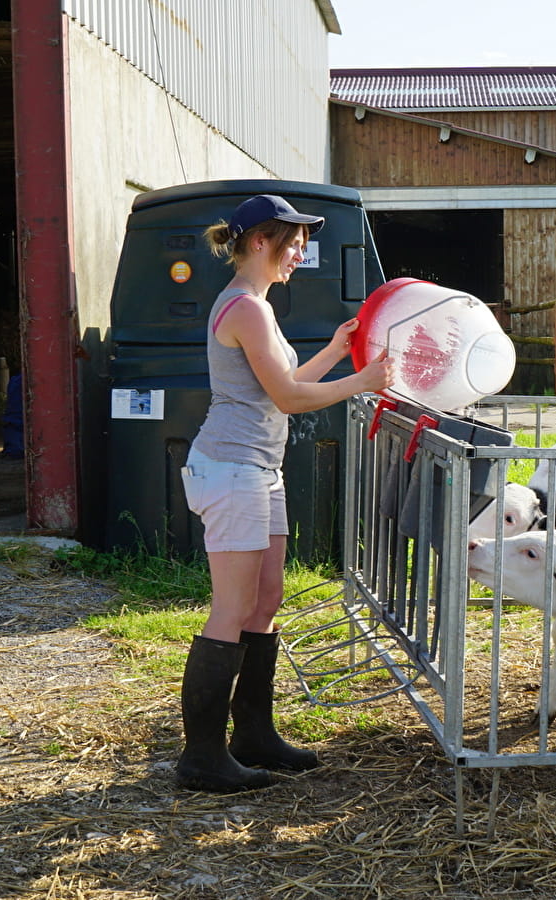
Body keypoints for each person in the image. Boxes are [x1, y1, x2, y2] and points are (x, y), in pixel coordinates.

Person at [176, 194, 393, 792]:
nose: (301, 252)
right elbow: (291, 400)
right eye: (292, 241)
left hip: (258, 470)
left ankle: (253, 735)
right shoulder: (244, 308)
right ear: (259, 242)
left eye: (302, 241)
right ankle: (201, 759)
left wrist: (336, 350)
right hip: (231, 468)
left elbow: (288, 380)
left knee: (266, 600)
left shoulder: (257, 308)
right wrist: (364, 380)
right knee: (232, 609)